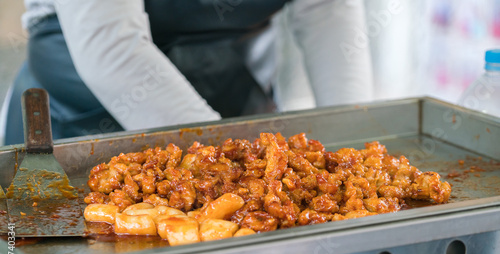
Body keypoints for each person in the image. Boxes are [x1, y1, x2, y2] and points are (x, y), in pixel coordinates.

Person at [3, 0, 373, 145]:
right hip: (85, 115)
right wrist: (229, 160)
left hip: (233, 93)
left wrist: (353, 145)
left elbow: (327, 7)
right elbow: (113, 47)